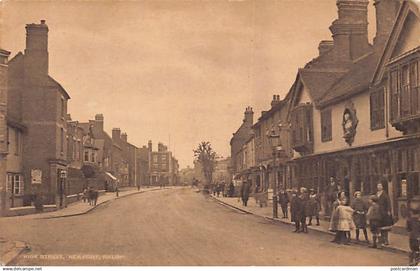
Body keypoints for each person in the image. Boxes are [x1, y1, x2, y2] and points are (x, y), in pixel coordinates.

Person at [407, 200, 420, 266]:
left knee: (412, 249)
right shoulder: (418, 220)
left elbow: (408, 229)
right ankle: (417, 262)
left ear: (411, 212)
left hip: (412, 237)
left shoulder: (409, 220)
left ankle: (411, 262)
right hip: (418, 237)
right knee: (418, 250)